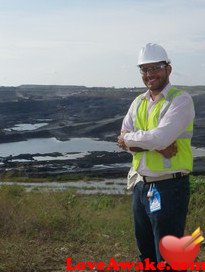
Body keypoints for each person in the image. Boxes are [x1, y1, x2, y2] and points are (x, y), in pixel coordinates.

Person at [117, 43, 195, 268]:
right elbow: (123, 138)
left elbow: (155, 137)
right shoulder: (138, 102)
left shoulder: (180, 100)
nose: (150, 74)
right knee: (146, 255)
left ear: (168, 69)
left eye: (155, 68)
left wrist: (135, 140)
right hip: (141, 187)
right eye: (144, 69)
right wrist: (156, 145)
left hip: (169, 188)